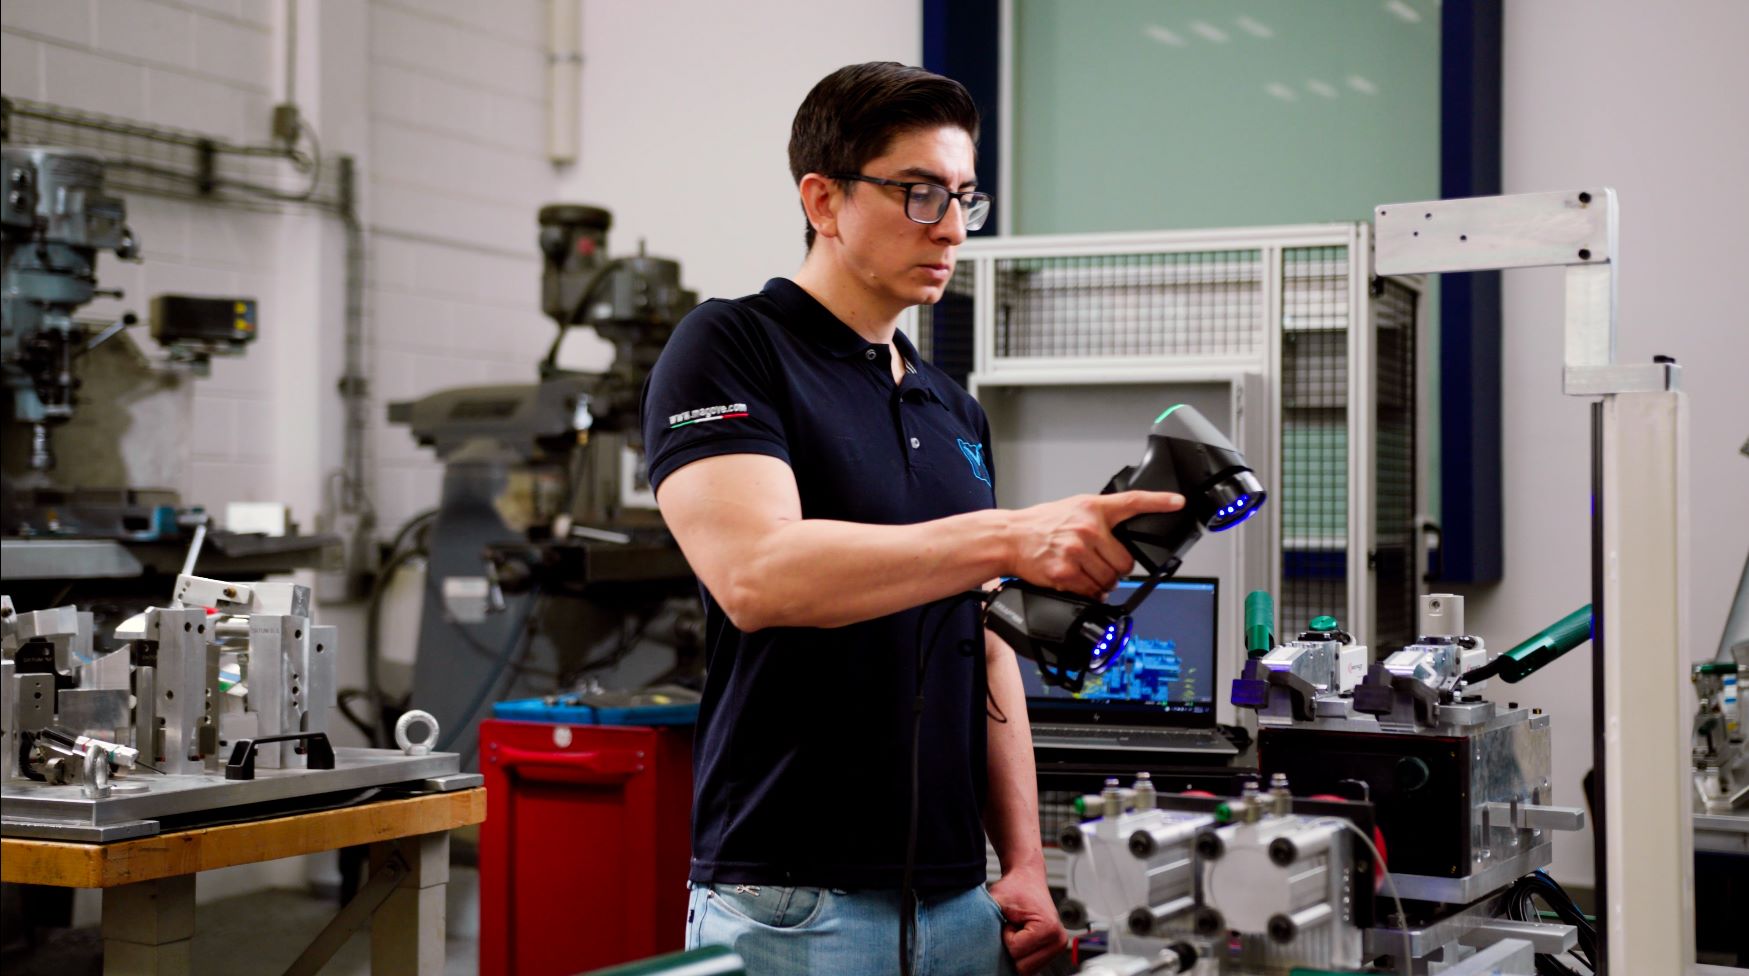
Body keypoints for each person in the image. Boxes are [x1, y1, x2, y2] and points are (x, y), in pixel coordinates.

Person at [640, 61, 1185, 976]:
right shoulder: (731, 347)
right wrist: (1013, 537)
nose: (953, 228)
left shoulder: (950, 406)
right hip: (793, 904)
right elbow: (757, 577)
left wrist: (1021, 863)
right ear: (823, 199)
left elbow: (990, 639)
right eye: (919, 193)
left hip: (961, 899)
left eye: (965, 196)